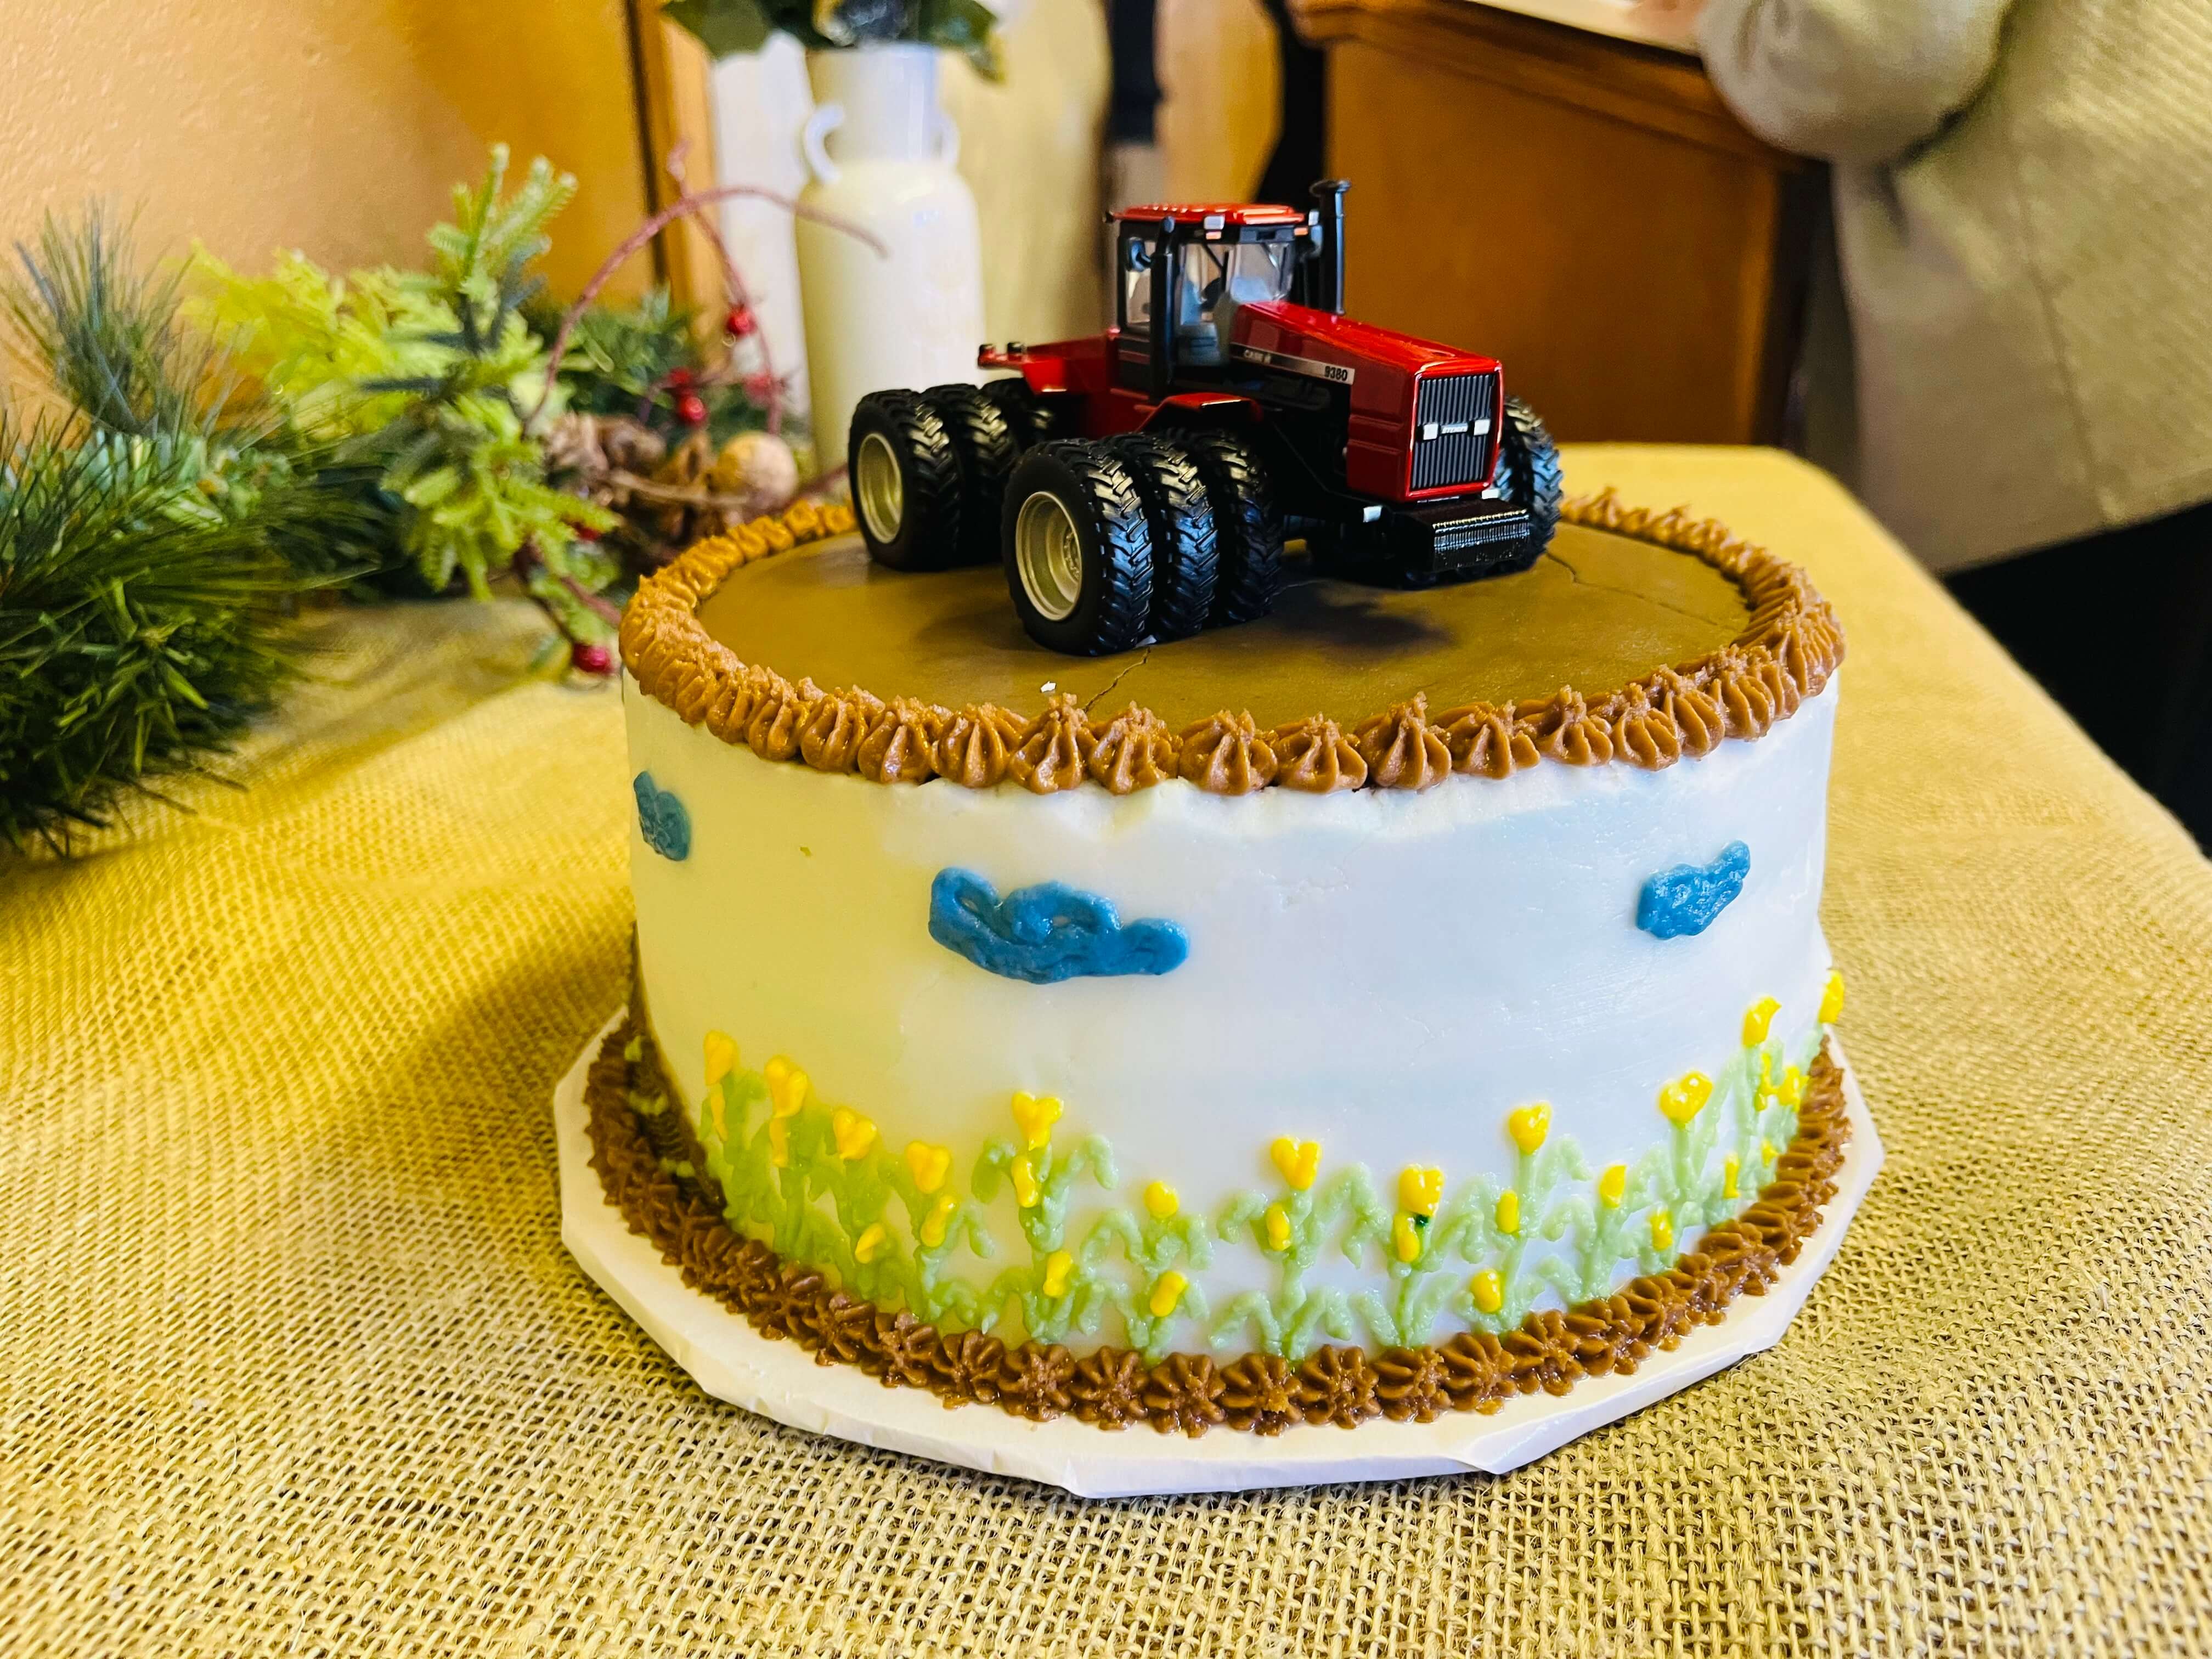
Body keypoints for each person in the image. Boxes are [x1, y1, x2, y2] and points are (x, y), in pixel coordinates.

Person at [1699, 0, 2212, 839]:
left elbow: (1863, 57)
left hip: (2093, 316)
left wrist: (1728, 19)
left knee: (2057, 837)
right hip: (2155, 282)